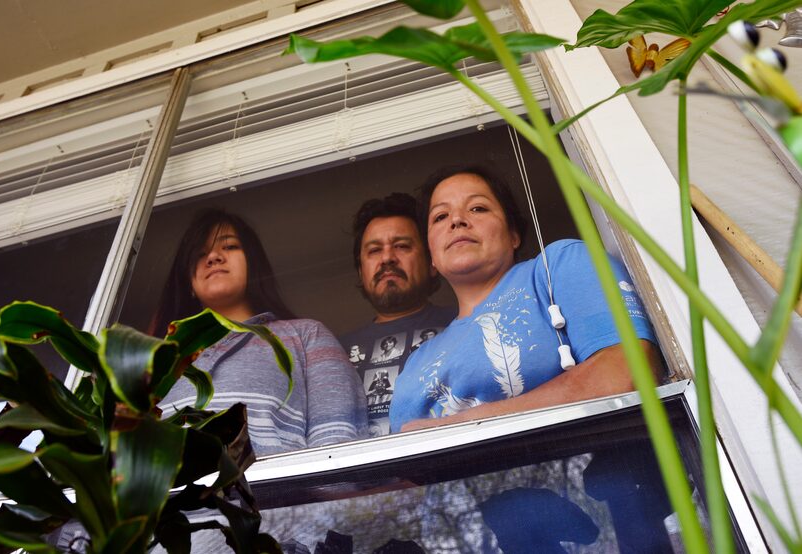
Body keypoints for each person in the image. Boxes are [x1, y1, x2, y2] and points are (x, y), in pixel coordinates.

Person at [390, 166, 664, 433]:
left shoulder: (557, 265)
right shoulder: (416, 364)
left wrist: (456, 428)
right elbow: (401, 472)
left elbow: (626, 373)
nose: (457, 220)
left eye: (478, 208)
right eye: (440, 216)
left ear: (514, 235)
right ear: (432, 258)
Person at [153, 209, 367, 456]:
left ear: (253, 264)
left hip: (267, 494)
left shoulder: (306, 336)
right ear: (188, 283)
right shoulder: (156, 363)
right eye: (199, 254)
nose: (213, 257)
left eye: (229, 246)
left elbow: (336, 450)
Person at [340, 193, 455, 437]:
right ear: (361, 272)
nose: (387, 258)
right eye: (374, 250)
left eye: (402, 246)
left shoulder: (462, 323)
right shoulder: (335, 352)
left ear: (431, 262)